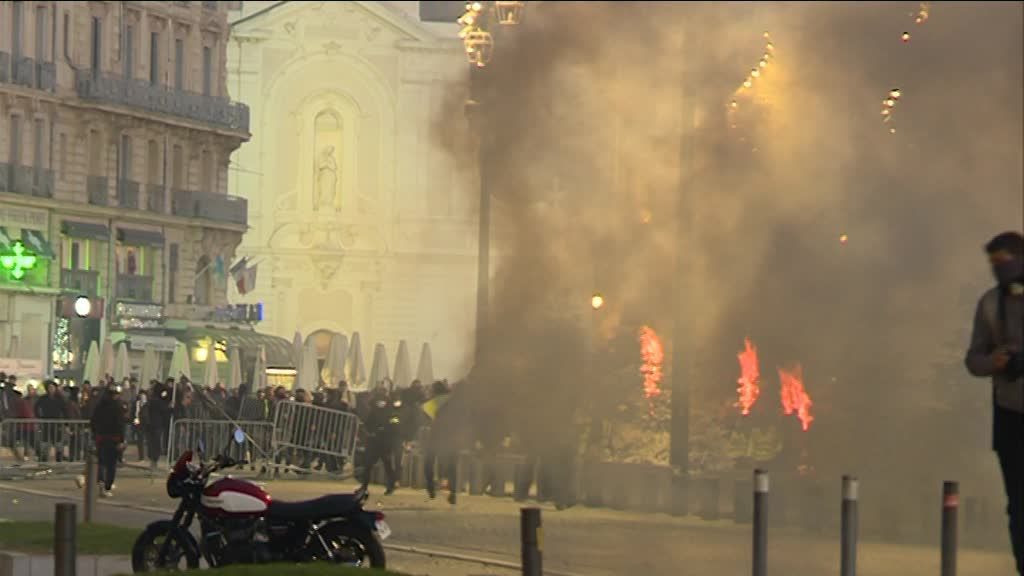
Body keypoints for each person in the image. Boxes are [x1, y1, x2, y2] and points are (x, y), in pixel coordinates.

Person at [965, 230, 1024, 575]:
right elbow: (974, 359)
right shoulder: (989, 303)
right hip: (1009, 415)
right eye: (994, 264)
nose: (999, 270)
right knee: (1018, 505)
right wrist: (996, 362)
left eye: (1005, 262)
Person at [360, 387, 397, 495]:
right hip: (376, 439)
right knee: (370, 464)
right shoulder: (378, 407)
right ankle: (365, 486)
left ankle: (390, 485)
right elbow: (369, 421)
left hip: (382, 440)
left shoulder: (388, 408)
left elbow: (395, 421)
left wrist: (385, 426)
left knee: (385, 464)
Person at [90, 385, 125, 497]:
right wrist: (121, 440)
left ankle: (100, 482)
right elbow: (120, 425)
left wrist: (95, 434)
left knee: (101, 462)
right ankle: (107, 486)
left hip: (101, 438)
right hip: (113, 438)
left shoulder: (100, 406)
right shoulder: (117, 407)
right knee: (111, 464)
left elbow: (93, 421)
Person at [34, 381, 68, 463]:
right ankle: (44, 459)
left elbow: (65, 411)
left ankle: (59, 458)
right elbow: (36, 408)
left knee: (58, 443)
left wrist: (66, 424)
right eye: (49, 388)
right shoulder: (43, 398)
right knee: (45, 442)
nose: (51, 389)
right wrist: (39, 418)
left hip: (57, 423)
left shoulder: (60, 399)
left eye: (52, 387)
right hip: (46, 422)